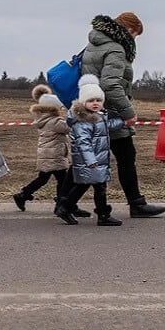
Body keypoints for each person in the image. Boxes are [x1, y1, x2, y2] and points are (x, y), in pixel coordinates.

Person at [79, 12, 165, 218]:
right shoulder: (116, 48)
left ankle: (65, 201)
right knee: (126, 156)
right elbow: (110, 84)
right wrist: (128, 111)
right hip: (110, 112)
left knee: (87, 157)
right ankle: (136, 204)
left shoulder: (95, 43)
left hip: (93, 109)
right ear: (128, 30)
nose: (135, 40)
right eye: (135, 34)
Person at [55, 75, 125, 226]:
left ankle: (70, 208)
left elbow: (106, 127)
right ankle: (100, 214)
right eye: (91, 100)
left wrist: (122, 122)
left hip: (97, 160)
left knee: (91, 186)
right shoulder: (83, 120)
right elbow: (83, 142)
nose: (95, 103)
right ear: (83, 102)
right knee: (94, 186)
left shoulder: (98, 117)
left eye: (98, 100)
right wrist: (91, 160)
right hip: (89, 161)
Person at [11, 84, 86, 215]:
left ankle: (23, 194)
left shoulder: (43, 119)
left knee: (44, 179)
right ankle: (63, 205)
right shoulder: (55, 121)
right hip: (54, 154)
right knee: (63, 181)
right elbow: (69, 127)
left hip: (48, 153)